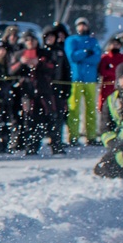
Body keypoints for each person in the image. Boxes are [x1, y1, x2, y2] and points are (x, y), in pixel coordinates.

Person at [9, 30, 57, 155]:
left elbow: (52, 69)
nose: (30, 43)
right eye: (27, 40)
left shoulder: (45, 53)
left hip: (44, 90)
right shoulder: (19, 54)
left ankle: (56, 146)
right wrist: (22, 63)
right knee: (29, 121)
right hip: (27, 92)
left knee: (50, 118)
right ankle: (31, 147)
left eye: (32, 40)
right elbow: (11, 71)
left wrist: (39, 64)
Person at [64, 17, 102, 146]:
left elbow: (96, 58)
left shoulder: (93, 41)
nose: (82, 28)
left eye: (84, 25)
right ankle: (73, 136)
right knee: (74, 108)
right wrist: (86, 52)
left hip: (90, 79)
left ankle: (91, 135)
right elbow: (72, 57)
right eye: (80, 25)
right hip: (76, 79)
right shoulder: (71, 40)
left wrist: (82, 57)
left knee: (91, 108)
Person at [93, 62, 123, 178]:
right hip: (119, 143)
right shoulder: (111, 100)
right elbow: (105, 127)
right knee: (102, 169)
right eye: (122, 77)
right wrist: (114, 145)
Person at [43, 25, 71, 154]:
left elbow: (66, 71)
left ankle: (57, 143)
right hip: (44, 91)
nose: (50, 39)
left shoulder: (60, 52)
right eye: (48, 37)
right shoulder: (42, 52)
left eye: (52, 37)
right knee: (44, 117)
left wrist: (67, 90)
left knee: (58, 117)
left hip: (58, 89)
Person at [96, 37, 123, 110]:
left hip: (120, 86)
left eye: (117, 44)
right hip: (107, 86)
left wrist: (113, 72)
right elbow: (102, 71)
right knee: (105, 106)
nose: (114, 46)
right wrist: (114, 73)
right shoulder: (105, 58)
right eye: (112, 44)